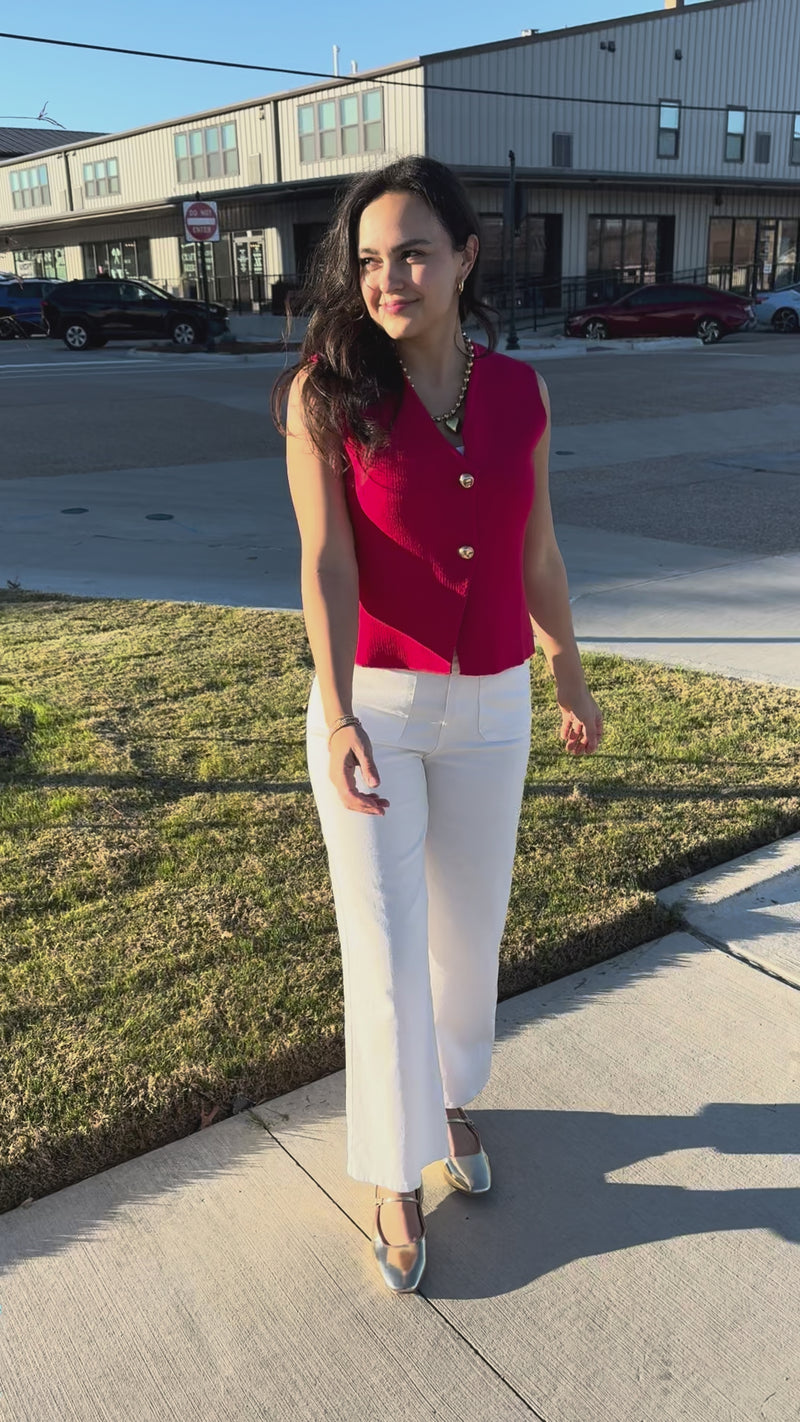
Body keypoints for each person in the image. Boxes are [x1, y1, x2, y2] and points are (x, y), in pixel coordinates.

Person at [271, 156, 602, 1295]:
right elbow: (324, 564)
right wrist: (337, 714)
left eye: (412, 253)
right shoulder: (326, 394)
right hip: (375, 705)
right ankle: (390, 1165)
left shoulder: (521, 393)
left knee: (467, 936)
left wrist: (567, 671)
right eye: (369, 260)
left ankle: (446, 1100)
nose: (388, 279)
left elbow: (537, 549)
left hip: (494, 703)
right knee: (383, 942)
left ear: (465, 257)